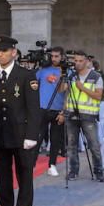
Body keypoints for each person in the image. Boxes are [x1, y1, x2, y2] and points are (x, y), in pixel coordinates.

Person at [0, 35, 42, 206]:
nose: (0, 54)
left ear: (14, 53)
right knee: (3, 180)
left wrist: (32, 135)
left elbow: (34, 108)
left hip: (21, 136)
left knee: (25, 178)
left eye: (4, 51)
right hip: (0, 135)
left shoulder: (27, 75)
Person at [63, 51, 104, 182]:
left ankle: (98, 171)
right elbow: (62, 91)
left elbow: (98, 96)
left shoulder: (96, 76)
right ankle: (73, 171)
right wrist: (62, 76)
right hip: (71, 114)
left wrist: (82, 88)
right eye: (75, 60)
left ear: (87, 61)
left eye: (80, 61)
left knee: (94, 145)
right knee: (72, 145)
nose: (77, 63)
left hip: (88, 116)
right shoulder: (71, 76)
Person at [35, 46, 66, 177]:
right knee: (37, 137)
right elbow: (33, 86)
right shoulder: (42, 70)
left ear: (62, 57)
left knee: (55, 139)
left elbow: (68, 93)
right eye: (52, 56)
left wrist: (64, 112)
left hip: (58, 110)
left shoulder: (67, 72)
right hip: (42, 109)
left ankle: (52, 165)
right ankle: (31, 163)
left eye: (56, 56)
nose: (53, 59)